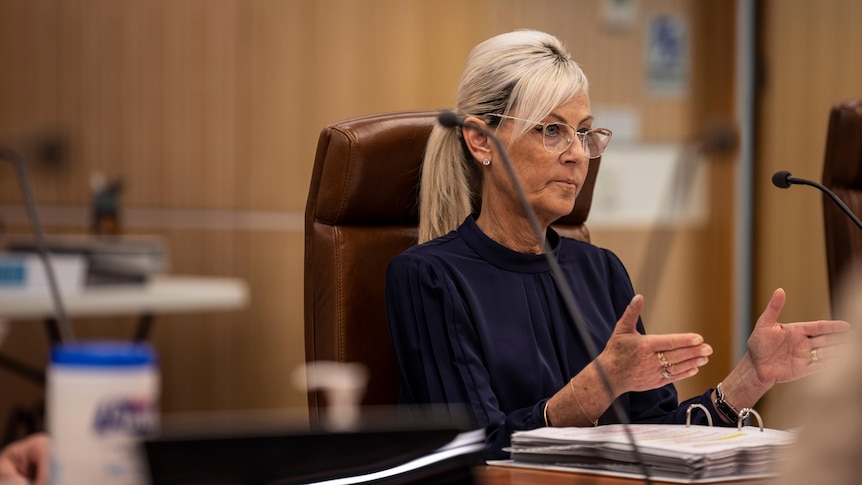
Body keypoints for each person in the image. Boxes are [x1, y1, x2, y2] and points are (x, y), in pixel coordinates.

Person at [384, 29, 850, 460]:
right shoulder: (429, 277)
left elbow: (654, 434)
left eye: (584, 132)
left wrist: (751, 377)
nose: (575, 153)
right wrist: (593, 389)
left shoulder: (601, 271)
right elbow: (470, 453)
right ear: (480, 141)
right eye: (551, 130)